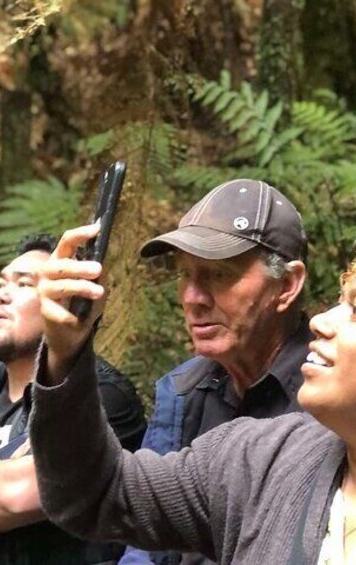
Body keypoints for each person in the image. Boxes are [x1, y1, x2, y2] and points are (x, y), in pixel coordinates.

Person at [29, 215, 356, 564]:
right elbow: (101, 492)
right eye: (339, 302)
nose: (321, 321)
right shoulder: (260, 459)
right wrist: (66, 354)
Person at [0, 234, 147, 564]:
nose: (1, 296)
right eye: (0, 283)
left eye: (24, 284)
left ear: (65, 301)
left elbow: (20, 495)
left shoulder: (99, 396)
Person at [119, 179, 313, 564]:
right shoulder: (184, 391)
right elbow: (143, 540)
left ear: (287, 285)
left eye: (219, 274)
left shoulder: (330, 394)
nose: (193, 298)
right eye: (185, 275)